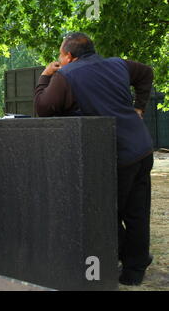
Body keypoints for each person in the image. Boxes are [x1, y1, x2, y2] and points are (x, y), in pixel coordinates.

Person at [34, 32, 154, 286]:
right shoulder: (118, 64)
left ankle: (129, 258)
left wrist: (46, 76)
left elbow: (43, 107)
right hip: (141, 147)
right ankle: (134, 269)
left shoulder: (66, 75)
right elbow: (146, 73)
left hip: (114, 155)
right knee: (137, 212)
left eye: (59, 54)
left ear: (68, 55)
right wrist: (139, 107)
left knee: (103, 214)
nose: (58, 59)